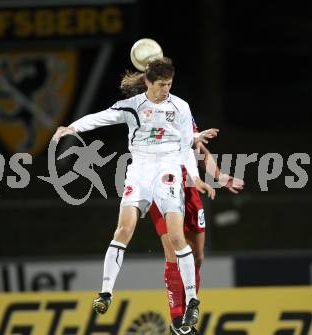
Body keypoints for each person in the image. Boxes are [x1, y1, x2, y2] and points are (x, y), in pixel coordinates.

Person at [53, 57, 215, 329]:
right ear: (149, 83)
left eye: (170, 84)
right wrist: (73, 128)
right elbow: (101, 117)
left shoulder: (180, 107)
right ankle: (105, 293)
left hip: (168, 171)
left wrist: (196, 178)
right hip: (139, 172)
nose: (166, 90)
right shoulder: (133, 106)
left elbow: (187, 146)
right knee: (123, 231)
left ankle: (192, 302)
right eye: (162, 85)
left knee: (177, 237)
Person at [120, 68, 244, 335]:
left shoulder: (180, 113)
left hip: (189, 189)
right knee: (174, 251)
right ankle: (178, 320)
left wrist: (220, 177)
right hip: (161, 188)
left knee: (197, 256)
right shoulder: (144, 117)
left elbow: (199, 148)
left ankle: (189, 310)